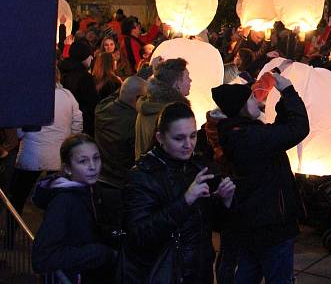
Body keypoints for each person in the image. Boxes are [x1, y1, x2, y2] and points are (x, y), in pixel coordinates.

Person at [123, 102, 235, 283]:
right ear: (160, 137)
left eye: (192, 136)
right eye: (179, 138)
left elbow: (210, 224)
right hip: (164, 272)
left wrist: (225, 201)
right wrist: (185, 200)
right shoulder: (143, 176)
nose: (188, 144)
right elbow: (139, 235)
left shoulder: (198, 166)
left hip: (199, 270)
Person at [214, 73, 309, 284]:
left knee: (248, 272)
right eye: (250, 98)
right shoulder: (249, 137)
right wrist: (289, 92)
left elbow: (277, 133)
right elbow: (297, 129)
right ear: (240, 108)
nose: (256, 99)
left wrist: (284, 104)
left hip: (252, 222)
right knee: (277, 276)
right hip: (271, 225)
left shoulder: (240, 132)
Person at [31, 134, 116, 283]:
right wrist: (98, 252)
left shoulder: (92, 189)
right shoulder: (63, 202)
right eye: (83, 161)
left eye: (96, 158)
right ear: (68, 169)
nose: (92, 166)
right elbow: (42, 258)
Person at [10, 67, 83, 215]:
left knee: (17, 196)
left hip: (31, 154)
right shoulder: (68, 96)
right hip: (58, 155)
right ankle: (51, 231)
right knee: (55, 199)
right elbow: (77, 123)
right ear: (57, 76)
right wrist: (68, 140)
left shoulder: (29, 96)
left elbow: (19, 128)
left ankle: (11, 231)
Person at [93, 76, 147, 224]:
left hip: (101, 178)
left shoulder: (101, 108)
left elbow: (122, 92)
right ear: (138, 98)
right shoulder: (134, 123)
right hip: (121, 183)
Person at [135, 57, 191, 158]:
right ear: (178, 83)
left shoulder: (148, 103)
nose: (190, 80)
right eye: (187, 77)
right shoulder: (170, 114)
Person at [58, 39, 99, 136]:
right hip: (81, 124)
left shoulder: (61, 71)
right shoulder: (85, 77)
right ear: (83, 57)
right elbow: (92, 103)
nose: (92, 58)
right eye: (90, 55)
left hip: (62, 121)